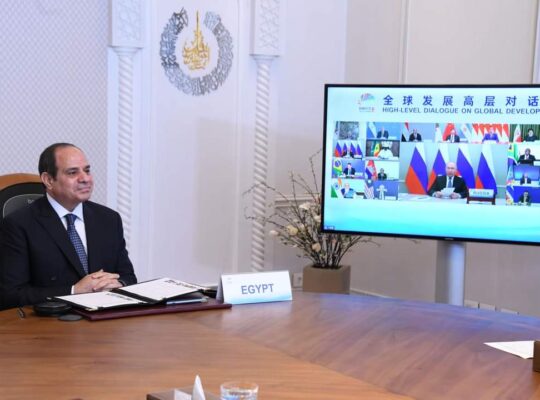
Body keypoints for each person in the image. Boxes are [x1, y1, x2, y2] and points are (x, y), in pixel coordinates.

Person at [0, 143, 137, 309]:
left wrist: (118, 284)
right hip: (51, 321)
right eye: (73, 172)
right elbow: (11, 295)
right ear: (48, 180)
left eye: (87, 170)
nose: (85, 179)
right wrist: (74, 291)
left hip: (105, 317)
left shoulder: (109, 219)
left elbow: (128, 277)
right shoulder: (19, 224)